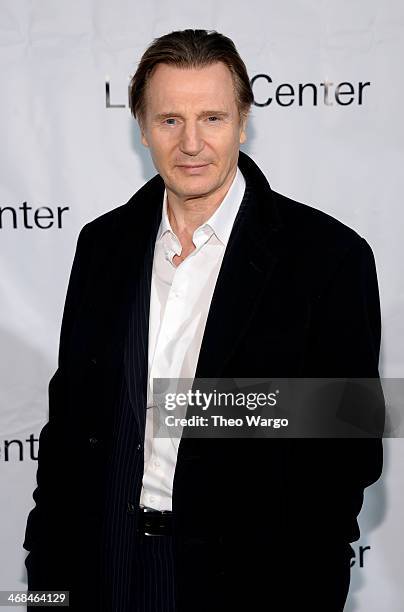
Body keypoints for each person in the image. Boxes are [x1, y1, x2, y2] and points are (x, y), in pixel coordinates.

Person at [23, 29, 384, 612]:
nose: (191, 142)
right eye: (169, 120)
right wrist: (44, 587)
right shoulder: (103, 246)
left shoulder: (328, 257)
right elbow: (69, 431)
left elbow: (348, 451)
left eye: (212, 117)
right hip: (101, 570)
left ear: (243, 121)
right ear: (141, 127)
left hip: (250, 584)